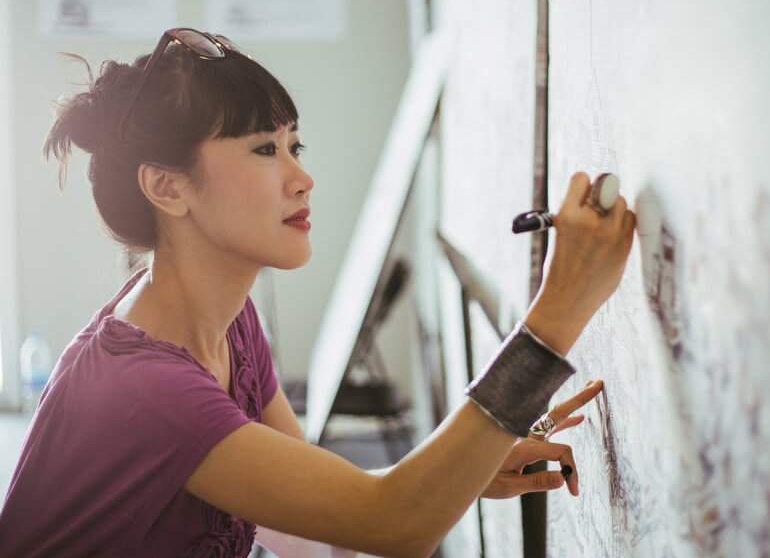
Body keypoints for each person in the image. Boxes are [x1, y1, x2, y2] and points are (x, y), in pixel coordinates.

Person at [0, 28, 635, 557]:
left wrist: (462, 474)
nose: (303, 178)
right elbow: (393, 523)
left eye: (293, 145)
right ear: (168, 188)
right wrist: (558, 312)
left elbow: (311, 537)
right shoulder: (148, 388)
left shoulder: (231, 325)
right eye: (264, 149)